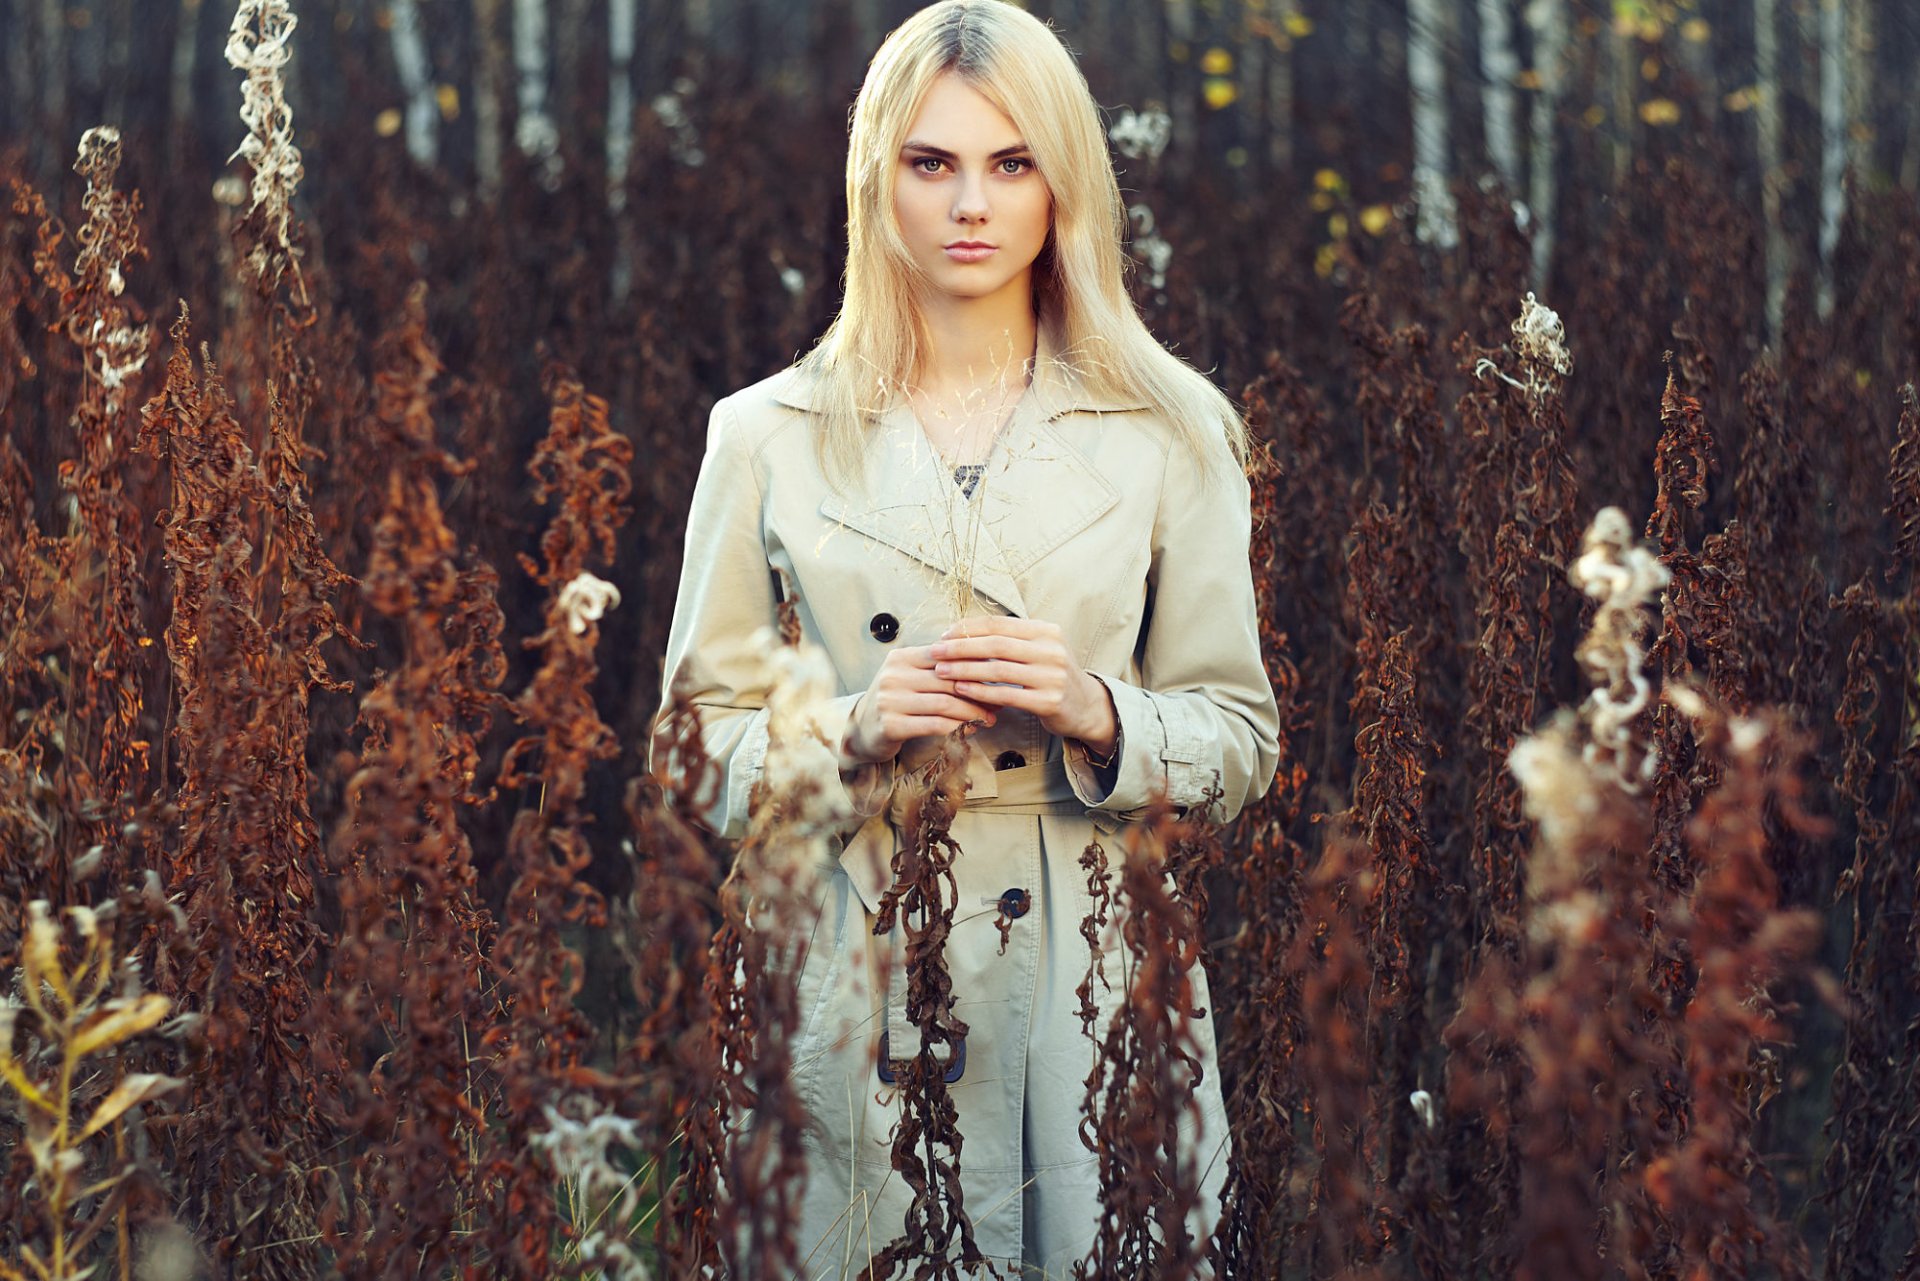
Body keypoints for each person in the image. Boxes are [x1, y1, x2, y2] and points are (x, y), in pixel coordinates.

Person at [653, 1, 1280, 1274]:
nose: (972, 205)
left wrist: (1101, 711)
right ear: (874, 180)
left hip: (1090, 977)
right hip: (857, 962)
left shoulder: (1171, 431)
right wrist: (848, 729)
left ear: (1065, 184)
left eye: (1012, 163)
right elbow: (690, 750)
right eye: (931, 163)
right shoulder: (766, 433)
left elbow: (1241, 739)